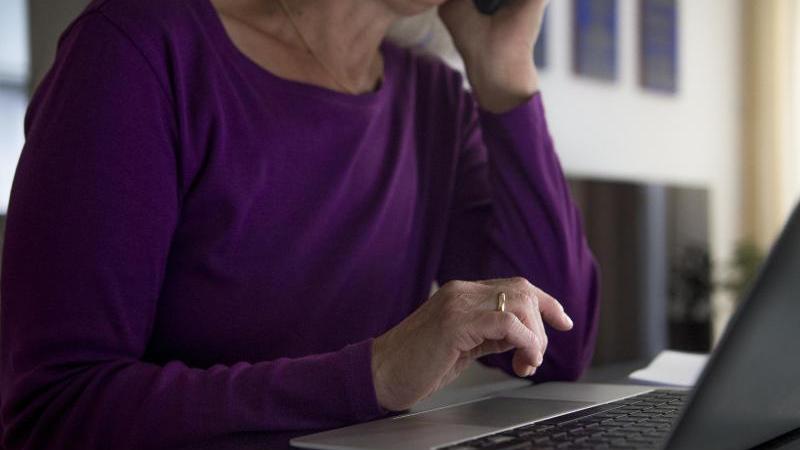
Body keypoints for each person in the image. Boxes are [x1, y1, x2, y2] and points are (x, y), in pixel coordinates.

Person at [0, 0, 600, 448]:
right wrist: (372, 374)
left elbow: (559, 346)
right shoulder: (138, 49)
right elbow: (52, 410)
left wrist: (506, 72)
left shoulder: (434, 100)